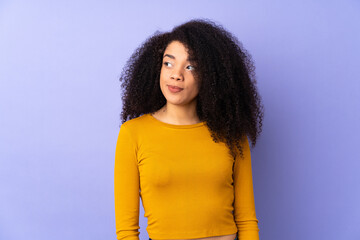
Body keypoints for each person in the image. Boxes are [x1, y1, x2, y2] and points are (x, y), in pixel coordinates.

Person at [114, 18, 264, 240]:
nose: (176, 74)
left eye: (190, 66)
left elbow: (246, 220)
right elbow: (127, 231)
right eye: (169, 63)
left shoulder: (231, 133)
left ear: (211, 76)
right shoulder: (133, 133)